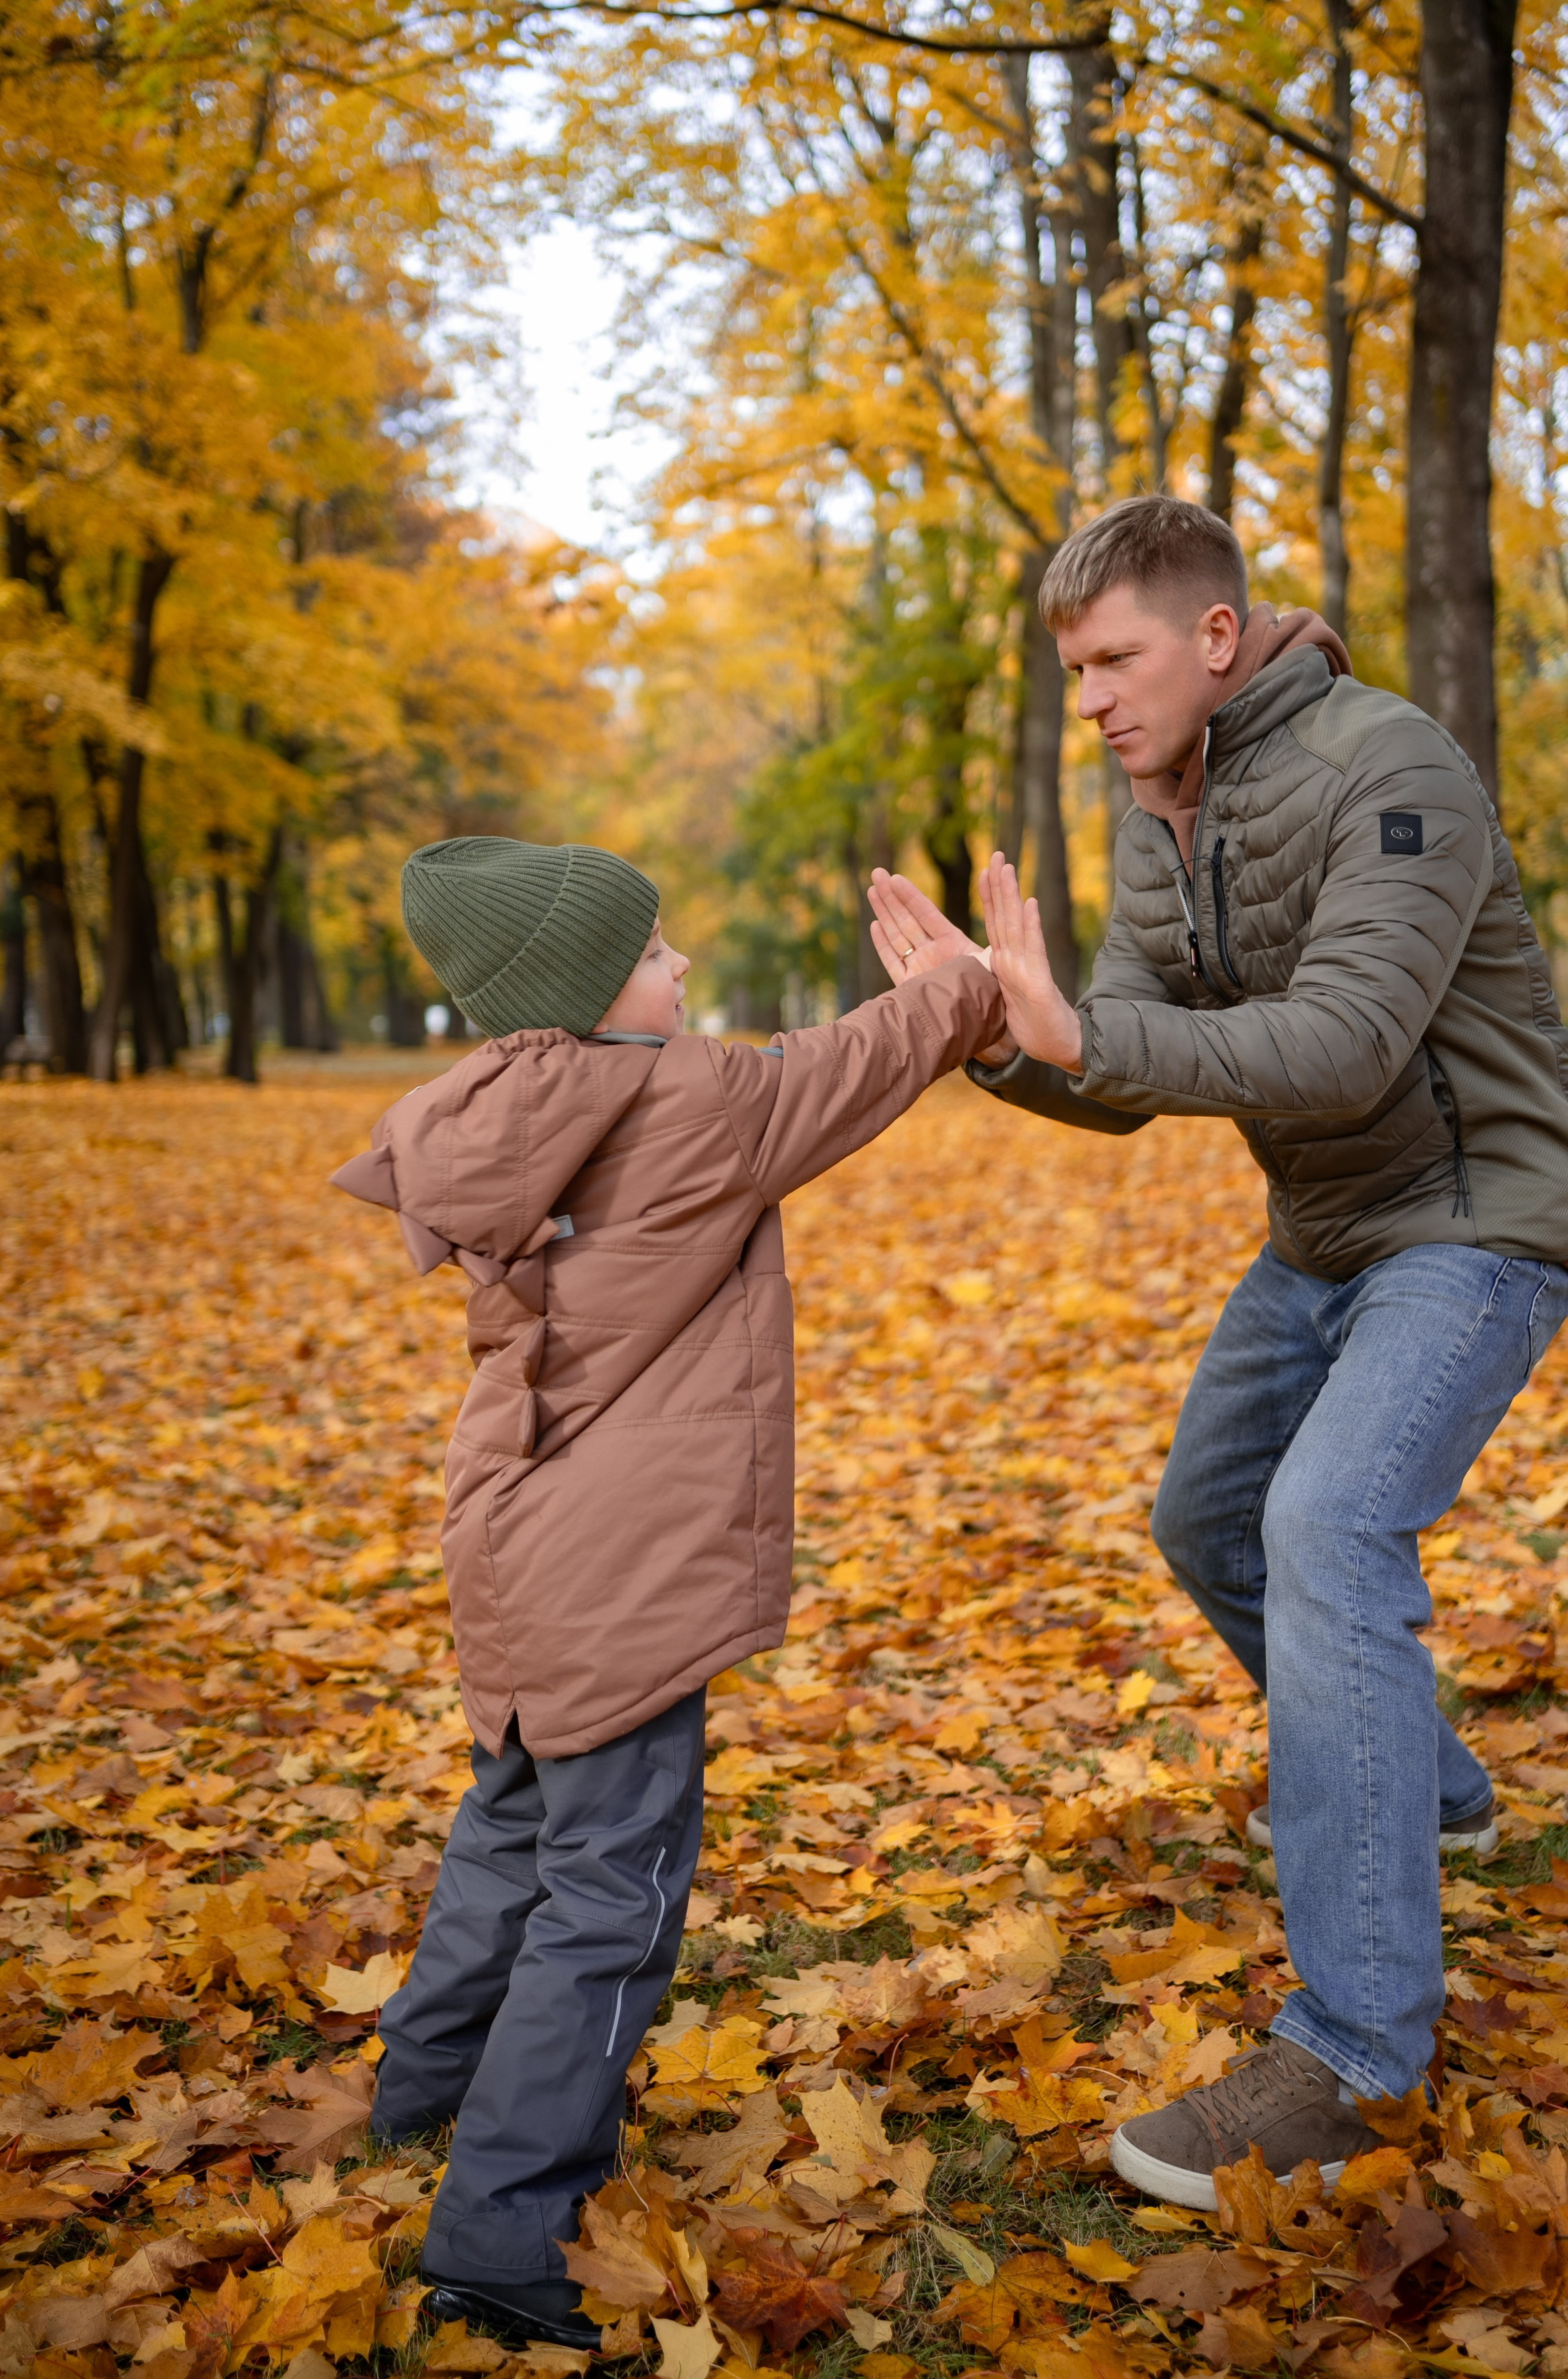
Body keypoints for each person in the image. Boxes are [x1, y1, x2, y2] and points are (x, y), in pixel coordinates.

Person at [867, 493, 1568, 2212]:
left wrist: (1075, 1023)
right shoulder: (1160, 806)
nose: (1094, 702)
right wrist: (995, 1031)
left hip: (1476, 1219)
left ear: (1211, 637)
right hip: (1324, 1240)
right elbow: (1122, 1068)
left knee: (1325, 1530)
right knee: (1208, 1519)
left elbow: (1348, 1046)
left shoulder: (1389, 763)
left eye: (1113, 660)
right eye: (1071, 674)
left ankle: (1355, 2053)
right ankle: (1424, 1798)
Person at [331, 834, 1007, 2344]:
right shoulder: (687, 1104)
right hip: (621, 1582)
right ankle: (501, 2236)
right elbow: (863, 1061)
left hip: (514, 1552)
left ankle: (421, 2097)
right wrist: (967, 981)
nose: (682, 967)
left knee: (509, 1829)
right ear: (581, 999)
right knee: (611, 1897)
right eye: (652, 954)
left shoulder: (489, 1114)